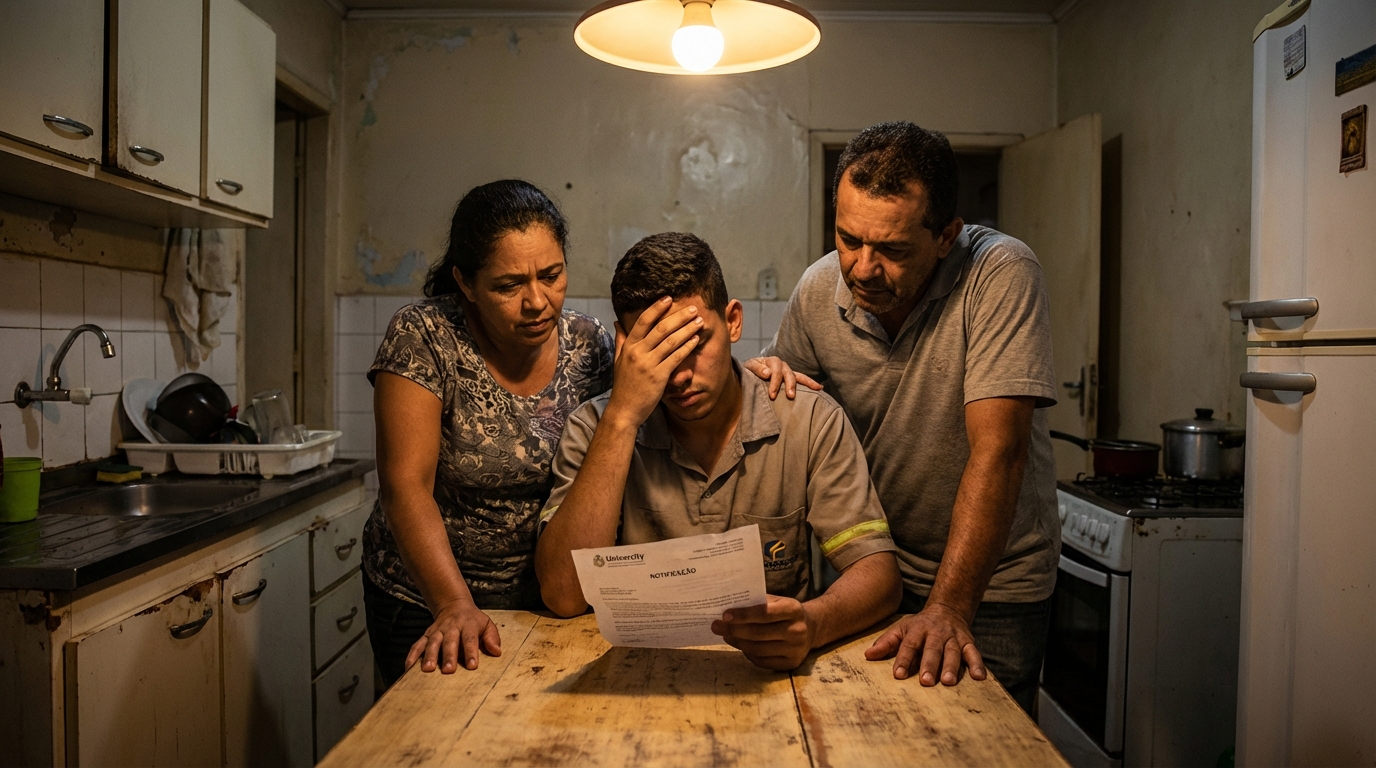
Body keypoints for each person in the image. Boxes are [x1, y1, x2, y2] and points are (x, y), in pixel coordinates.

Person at [364, 181, 814, 685]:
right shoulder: (424, 336)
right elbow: (404, 488)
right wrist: (451, 604)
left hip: (547, 592)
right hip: (432, 597)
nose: (537, 301)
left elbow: (636, 411)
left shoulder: (588, 341)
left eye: (552, 275)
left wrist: (739, 376)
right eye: (508, 285)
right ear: (465, 284)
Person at [764, 122, 1059, 712]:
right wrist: (762, 379)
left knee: (981, 748)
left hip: (989, 590)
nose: (862, 268)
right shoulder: (818, 289)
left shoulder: (1000, 273)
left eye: (893, 249)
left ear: (947, 235)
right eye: (848, 239)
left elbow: (999, 450)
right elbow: (789, 415)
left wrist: (949, 608)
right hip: (871, 579)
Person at [534, 232, 902, 670]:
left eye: (694, 342)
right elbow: (562, 595)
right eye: (655, 350)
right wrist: (622, 418)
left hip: (766, 675)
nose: (679, 375)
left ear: (732, 321)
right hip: (633, 674)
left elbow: (879, 574)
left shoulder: (809, 420)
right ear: (624, 344)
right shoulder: (595, 427)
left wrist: (813, 622)